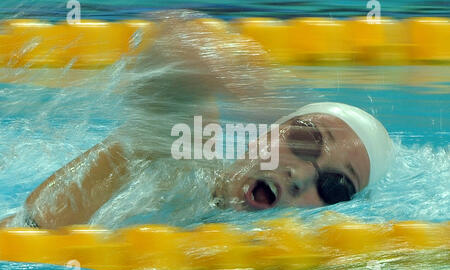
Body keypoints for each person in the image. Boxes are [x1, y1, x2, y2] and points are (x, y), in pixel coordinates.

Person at [0, 11, 393, 229]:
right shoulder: (187, 157)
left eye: (336, 186)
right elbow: (172, 40)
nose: (301, 176)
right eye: (306, 141)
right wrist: (256, 91)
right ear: (264, 135)